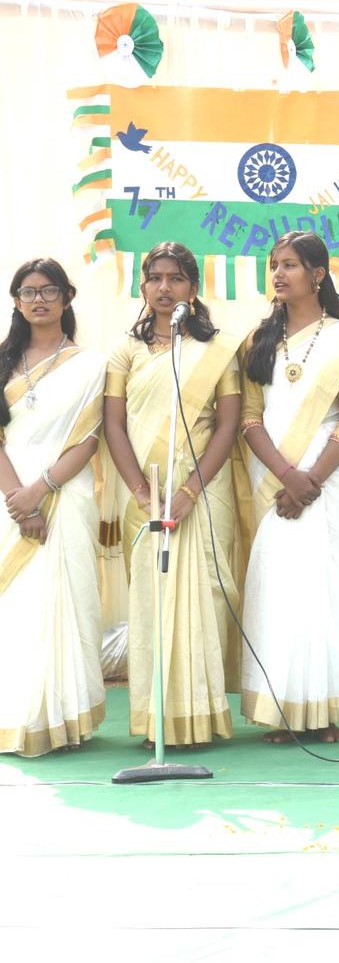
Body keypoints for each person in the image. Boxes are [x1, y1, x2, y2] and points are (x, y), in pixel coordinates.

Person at [237, 232, 339, 743]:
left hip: (328, 478)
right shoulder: (257, 340)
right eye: (274, 264)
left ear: (317, 275)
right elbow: (250, 417)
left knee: (329, 586)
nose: (278, 273)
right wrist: (287, 476)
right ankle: (282, 709)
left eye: (290, 265)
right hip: (274, 477)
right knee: (280, 588)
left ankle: (327, 708)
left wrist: (310, 479)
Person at [102, 242, 242, 746]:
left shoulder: (219, 349)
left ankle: (201, 716)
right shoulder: (126, 351)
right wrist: (143, 493)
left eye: (176, 278)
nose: (165, 288)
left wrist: (187, 491)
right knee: (153, 602)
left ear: (193, 288)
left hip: (202, 490)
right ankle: (156, 720)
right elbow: (113, 426)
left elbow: (227, 426)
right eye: (155, 278)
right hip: (145, 493)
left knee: (206, 595)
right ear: (142, 286)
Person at [0, 259, 106, 755]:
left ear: (67, 297)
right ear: (16, 301)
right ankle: (15, 715)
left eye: (48, 290)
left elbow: (89, 439)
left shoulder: (91, 364)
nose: (38, 299)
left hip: (65, 496)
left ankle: (62, 720)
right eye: (28, 292)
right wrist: (20, 502)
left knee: (67, 603)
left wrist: (40, 491)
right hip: (8, 500)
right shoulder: (3, 361)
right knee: (17, 609)